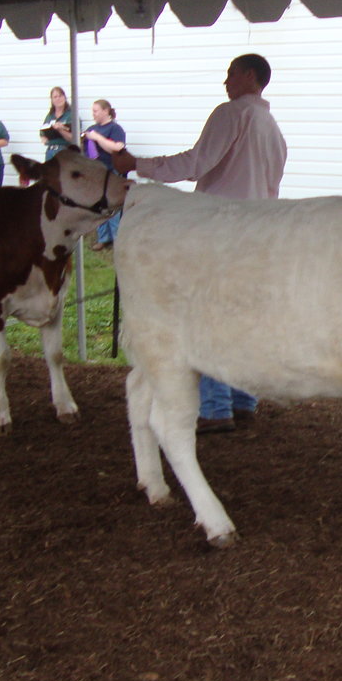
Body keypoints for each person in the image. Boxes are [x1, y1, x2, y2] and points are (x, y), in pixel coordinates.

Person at [113, 53, 288, 433]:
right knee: (242, 319)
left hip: (220, 231)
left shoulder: (231, 114)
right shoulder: (273, 129)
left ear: (250, 77)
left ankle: (215, 407)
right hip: (258, 232)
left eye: (231, 74)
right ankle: (243, 400)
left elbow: (196, 163)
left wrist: (135, 165)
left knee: (209, 317)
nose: (226, 81)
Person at [81, 99, 127, 250]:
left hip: (113, 171)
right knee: (99, 206)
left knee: (112, 205)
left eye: (96, 110)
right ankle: (103, 238)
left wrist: (97, 138)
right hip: (97, 173)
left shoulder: (115, 129)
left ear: (106, 111)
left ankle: (116, 238)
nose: (93, 114)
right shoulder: (92, 128)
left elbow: (117, 148)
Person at [40, 86, 75, 161]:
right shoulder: (50, 116)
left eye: (60, 96)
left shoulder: (71, 115)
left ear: (65, 97)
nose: (58, 99)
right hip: (51, 151)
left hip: (65, 151)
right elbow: (43, 134)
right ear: (52, 100)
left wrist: (60, 130)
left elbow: (74, 138)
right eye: (55, 97)